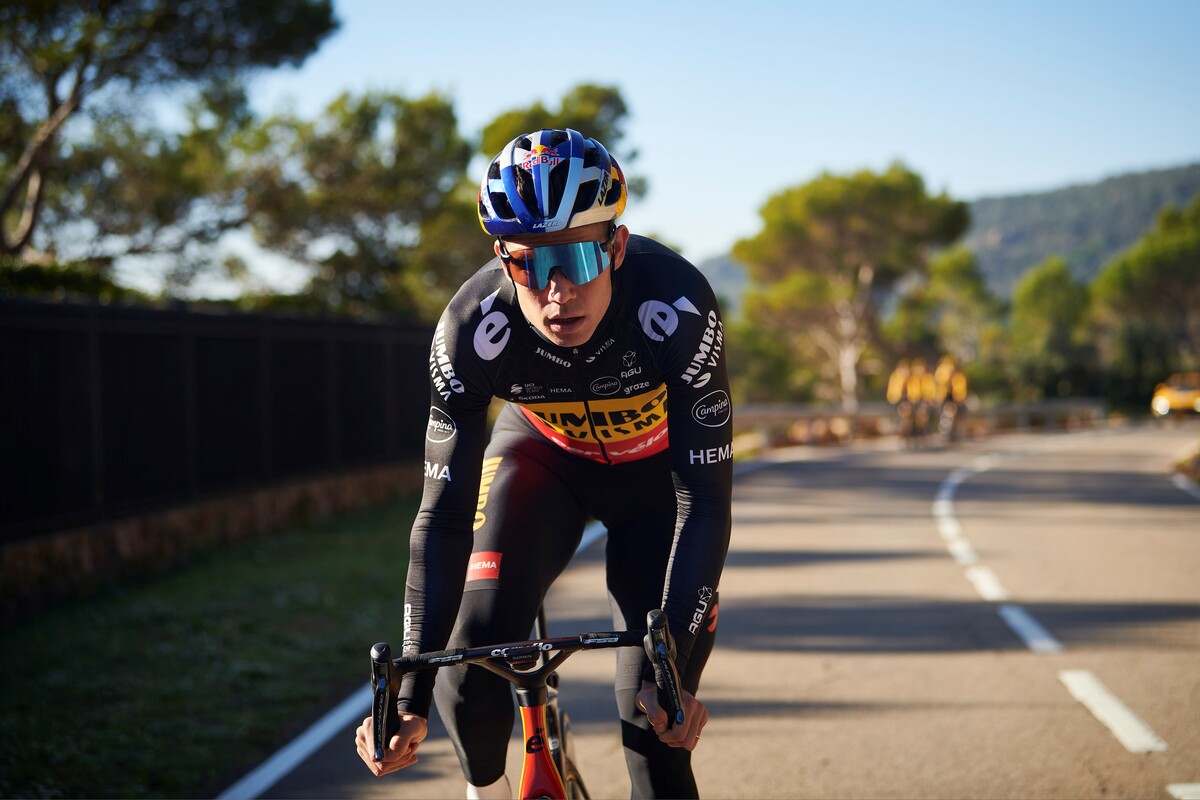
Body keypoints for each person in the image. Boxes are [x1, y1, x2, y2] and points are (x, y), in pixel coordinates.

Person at [354, 128, 733, 799]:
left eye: (579, 261)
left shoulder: (675, 306)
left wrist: (675, 660)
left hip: (655, 488)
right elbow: (440, 521)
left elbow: (704, 499)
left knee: (653, 726)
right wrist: (408, 692)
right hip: (542, 464)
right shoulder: (470, 330)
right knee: (470, 675)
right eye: (530, 264)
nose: (558, 292)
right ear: (502, 259)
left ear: (616, 247)